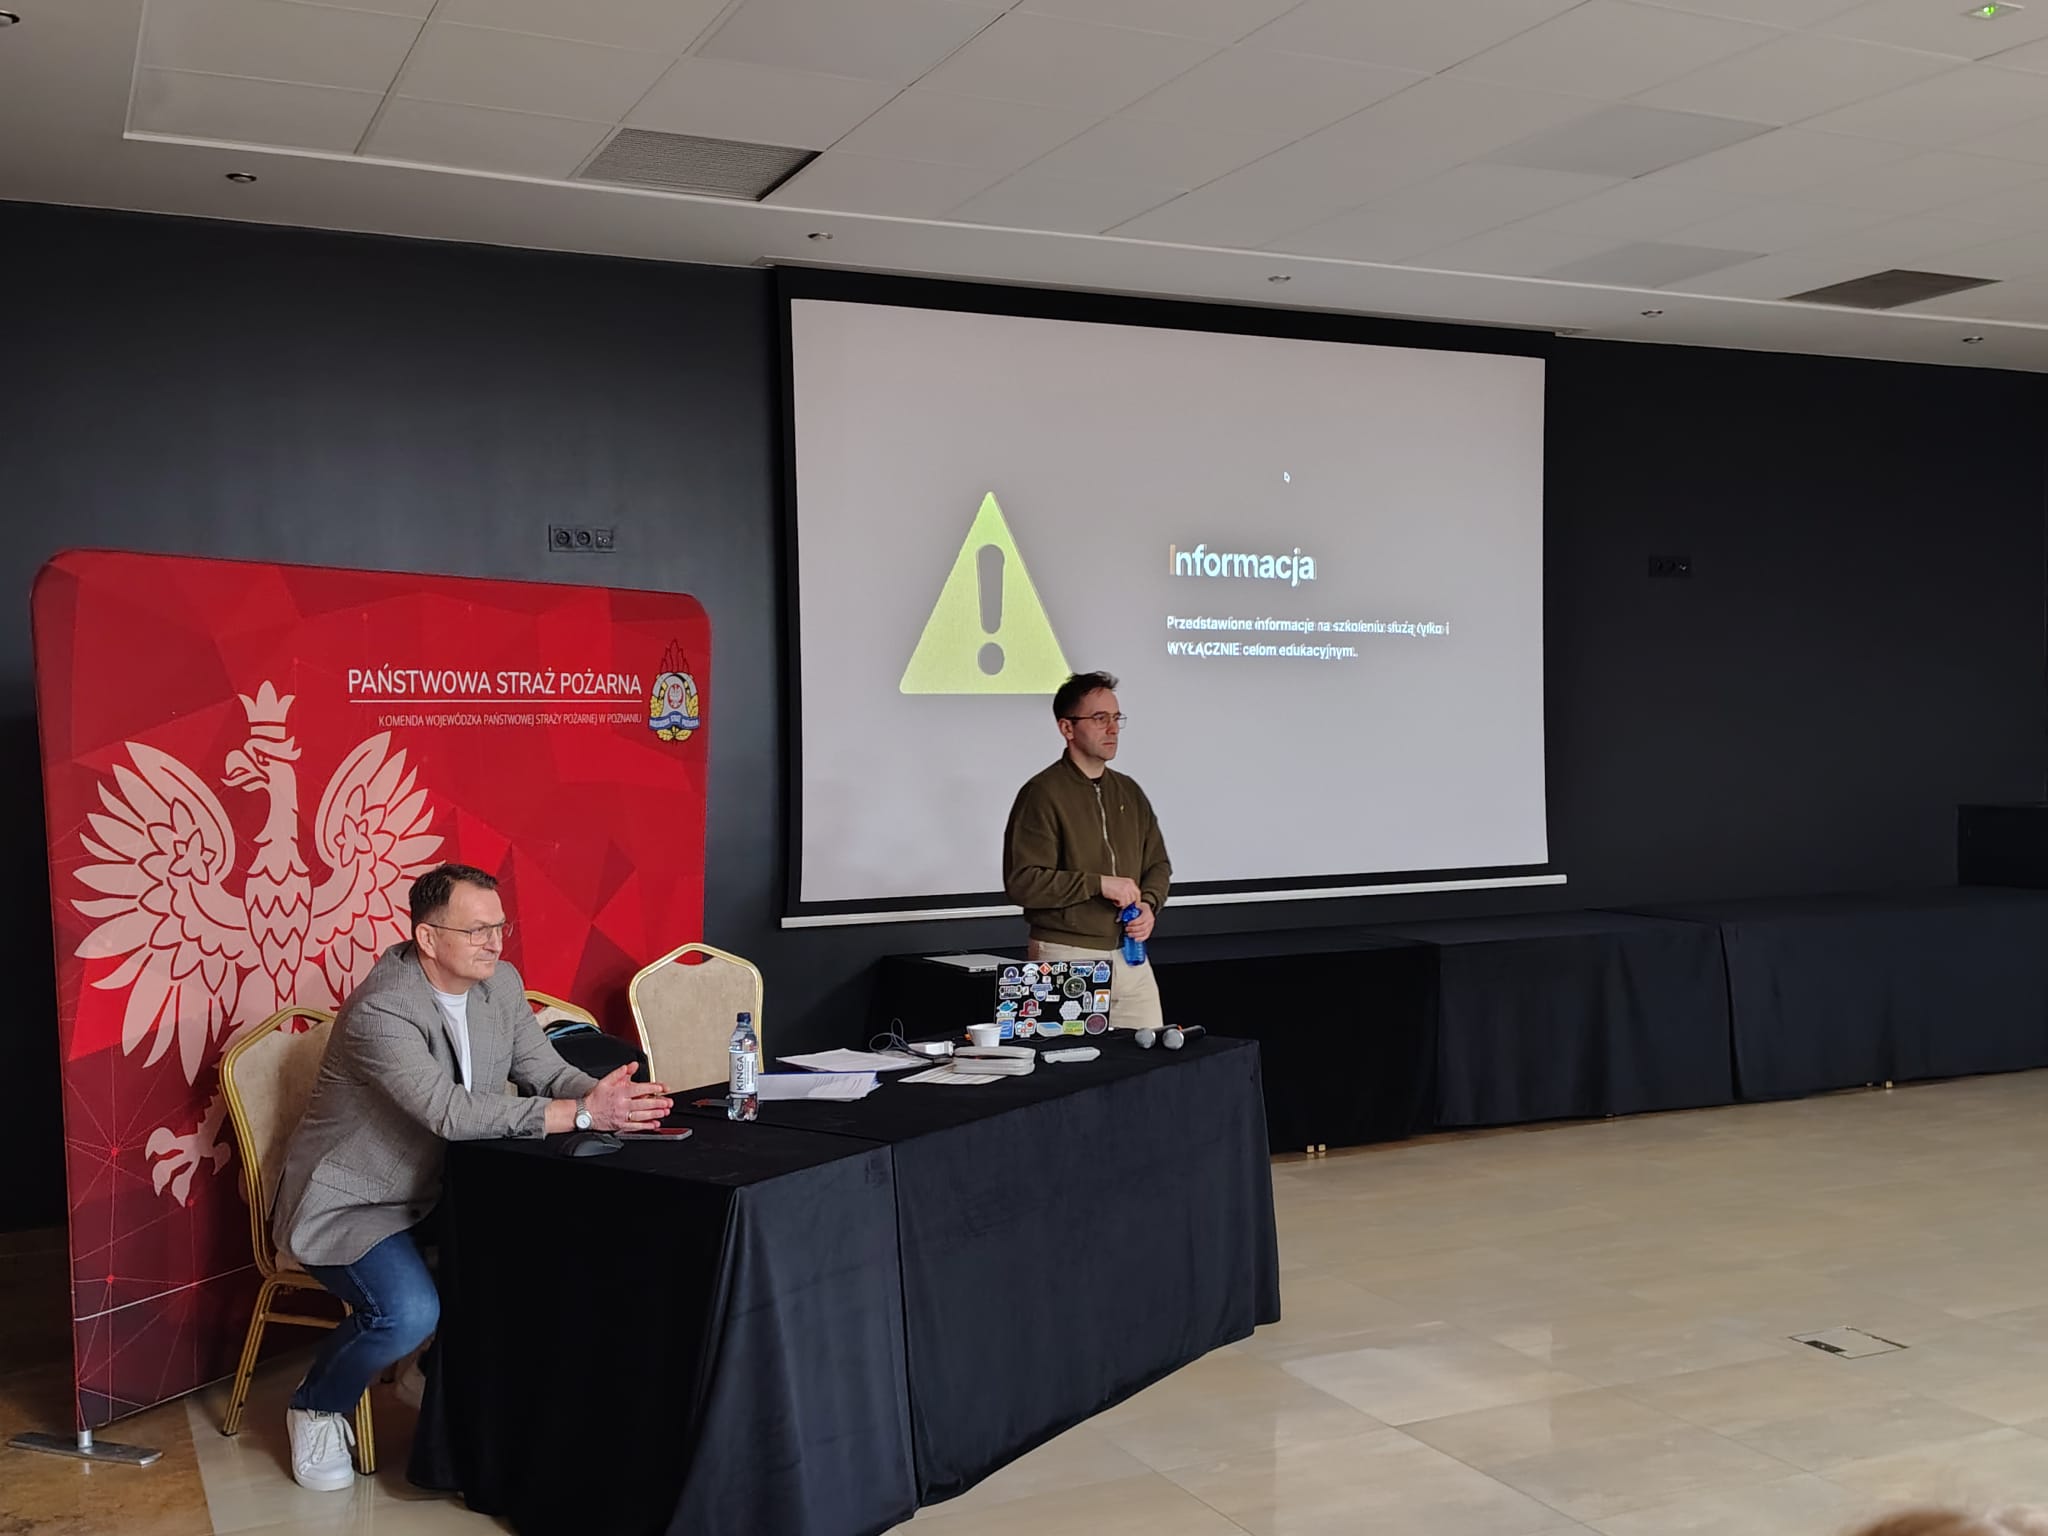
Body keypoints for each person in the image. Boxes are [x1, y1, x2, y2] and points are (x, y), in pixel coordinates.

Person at [269, 862, 672, 1492]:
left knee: (547, 1255)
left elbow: (543, 1069)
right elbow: (449, 1113)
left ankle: (431, 1372)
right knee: (406, 1312)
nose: (494, 943)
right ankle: (317, 1405)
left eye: (500, 927)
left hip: (440, 1192)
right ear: (428, 938)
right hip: (353, 1203)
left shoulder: (498, 983)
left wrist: (604, 1095)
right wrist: (582, 1114)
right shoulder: (382, 1009)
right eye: (477, 930)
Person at [1002, 671, 1171, 1034]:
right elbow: (1023, 882)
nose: (1112, 728)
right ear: (1067, 728)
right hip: (1066, 954)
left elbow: (1158, 863)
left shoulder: (1128, 791)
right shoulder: (1042, 793)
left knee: (1153, 1059)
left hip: (1131, 956)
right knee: (1067, 1062)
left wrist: (1149, 904)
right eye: (1099, 718)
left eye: (1116, 718)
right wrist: (1098, 884)